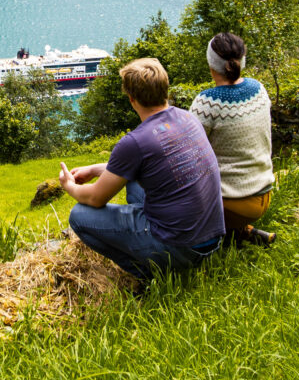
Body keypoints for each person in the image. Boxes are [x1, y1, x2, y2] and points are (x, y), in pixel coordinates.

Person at [60, 58, 225, 280]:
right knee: (134, 183)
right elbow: (151, 164)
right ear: (165, 90)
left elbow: (95, 199)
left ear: (131, 99)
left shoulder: (135, 142)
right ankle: (160, 259)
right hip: (211, 238)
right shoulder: (187, 117)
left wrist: (69, 186)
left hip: (181, 247)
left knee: (79, 215)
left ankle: (148, 274)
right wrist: (95, 169)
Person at [190, 32, 276, 246]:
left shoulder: (207, 103)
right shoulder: (259, 89)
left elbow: (186, 152)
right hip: (263, 193)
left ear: (211, 65)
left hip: (232, 203)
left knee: (160, 190)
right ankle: (241, 232)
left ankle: (201, 248)